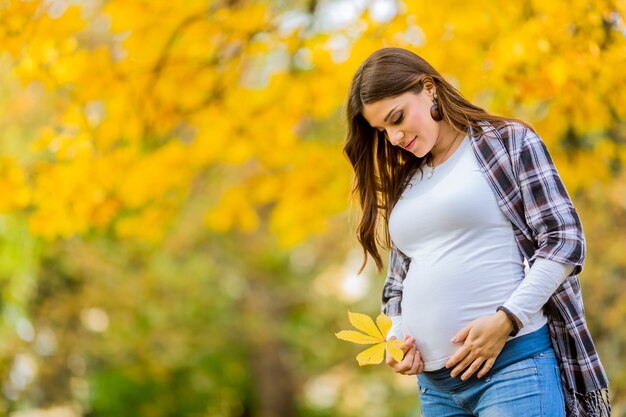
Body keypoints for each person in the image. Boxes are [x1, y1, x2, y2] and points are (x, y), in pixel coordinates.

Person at [343, 47, 610, 417]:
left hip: (512, 369)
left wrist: (507, 319)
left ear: (428, 88)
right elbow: (397, 285)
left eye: (397, 118)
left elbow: (563, 238)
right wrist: (397, 339)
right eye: (382, 130)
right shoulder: (409, 182)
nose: (393, 137)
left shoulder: (506, 142)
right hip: (436, 390)